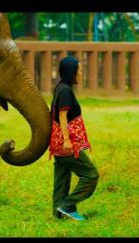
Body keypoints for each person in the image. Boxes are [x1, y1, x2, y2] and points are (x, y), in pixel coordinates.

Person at [49, 56, 99, 221]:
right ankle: (67, 205)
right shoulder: (65, 91)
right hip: (66, 144)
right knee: (91, 175)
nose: (81, 72)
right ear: (72, 72)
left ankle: (58, 214)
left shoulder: (60, 88)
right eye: (79, 69)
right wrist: (67, 140)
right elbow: (62, 116)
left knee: (62, 180)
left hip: (57, 144)